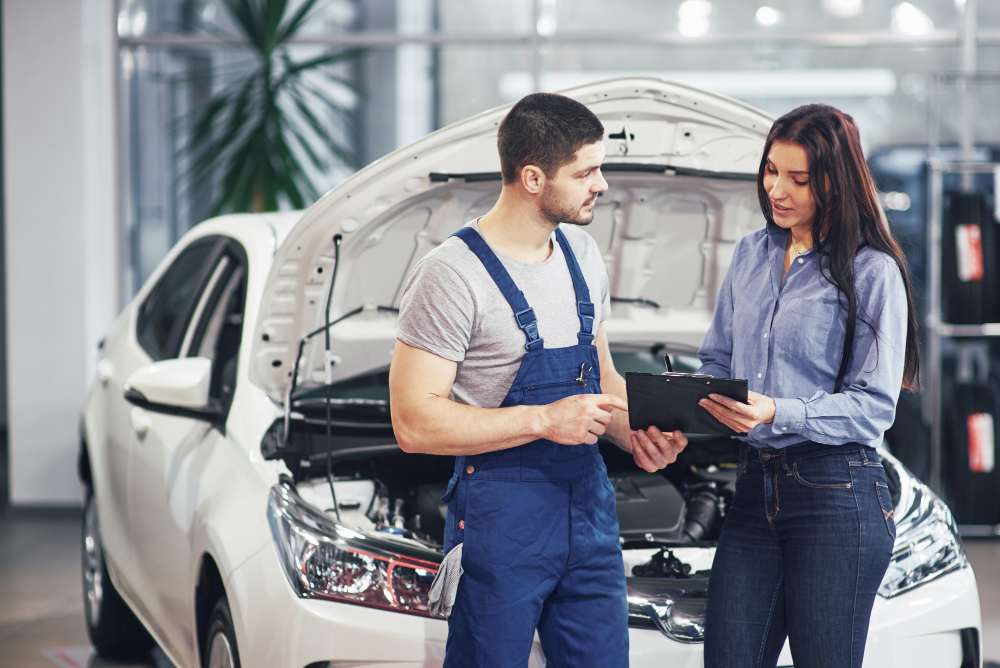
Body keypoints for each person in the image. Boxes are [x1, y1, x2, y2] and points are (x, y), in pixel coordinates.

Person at [389, 92, 688, 668]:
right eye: (587, 171)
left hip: (590, 511)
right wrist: (546, 420)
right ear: (532, 177)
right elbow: (412, 422)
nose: (601, 184)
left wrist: (634, 435)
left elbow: (601, 379)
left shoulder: (582, 252)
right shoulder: (451, 275)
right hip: (502, 521)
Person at [697, 103, 920, 668]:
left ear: (835, 182)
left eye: (798, 178)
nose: (777, 189)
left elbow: (873, 408)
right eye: (772, 170)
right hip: (752, 489)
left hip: (836, 493)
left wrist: (778, 411)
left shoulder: (872, 271)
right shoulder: (751, 253)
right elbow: (717, 360)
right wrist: (681, 409)